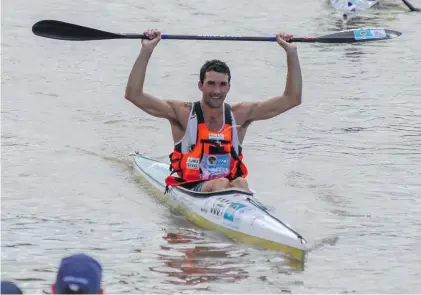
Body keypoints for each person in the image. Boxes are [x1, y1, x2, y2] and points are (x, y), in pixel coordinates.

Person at [125, 29, 302, 193]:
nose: (217, 91)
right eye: (211, 84)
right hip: (192, 188)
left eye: (222, 85)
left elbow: (291, 99)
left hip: (230, 189)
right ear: (200, 85)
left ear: (229, 87)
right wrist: (146, 50)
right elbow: (134, 95)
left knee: (240, 182)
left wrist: (291, 53)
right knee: (222, 183)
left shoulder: (240, 114)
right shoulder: (183, 112)